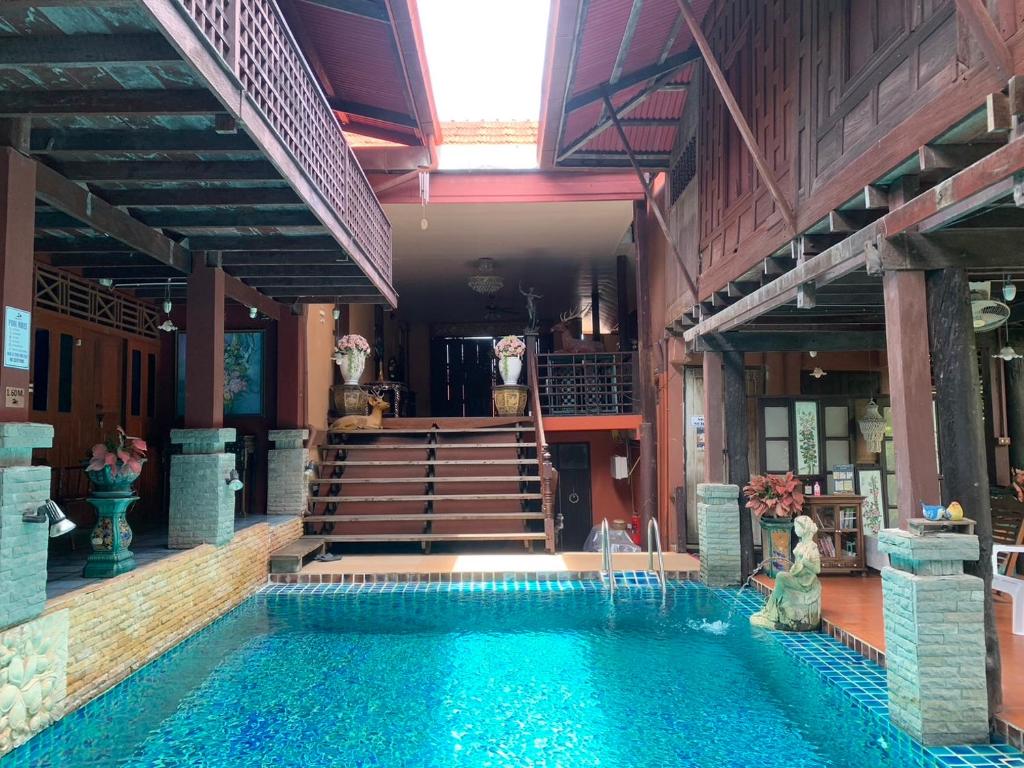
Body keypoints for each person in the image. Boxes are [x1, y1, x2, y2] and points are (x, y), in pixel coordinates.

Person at [750, 514, 822, 631]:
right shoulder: (801, 544)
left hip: (806, 582)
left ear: (804, 529)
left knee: (781, 577)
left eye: (797, 527)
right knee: (782, 579)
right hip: (798, 576)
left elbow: (817, 569)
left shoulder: (812, 548)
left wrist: (806, 562)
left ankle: (770, 612)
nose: (795, 529)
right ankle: (770, 610)